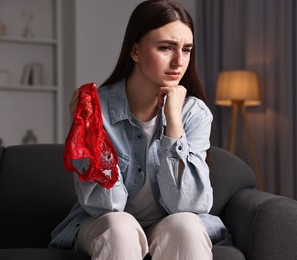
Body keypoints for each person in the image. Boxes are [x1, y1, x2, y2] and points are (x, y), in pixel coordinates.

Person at [49, 0, 230, 259]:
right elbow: (106, 205)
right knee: (121, 226)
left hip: (167, 223)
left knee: (187, 226)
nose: (179, 61)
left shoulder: (194, 113)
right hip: (105, 224)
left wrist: (174, 124)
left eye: (187, 50)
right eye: (165, 48)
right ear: (135, 50)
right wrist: (92, 132)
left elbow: (189, 205)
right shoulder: (94, 107)